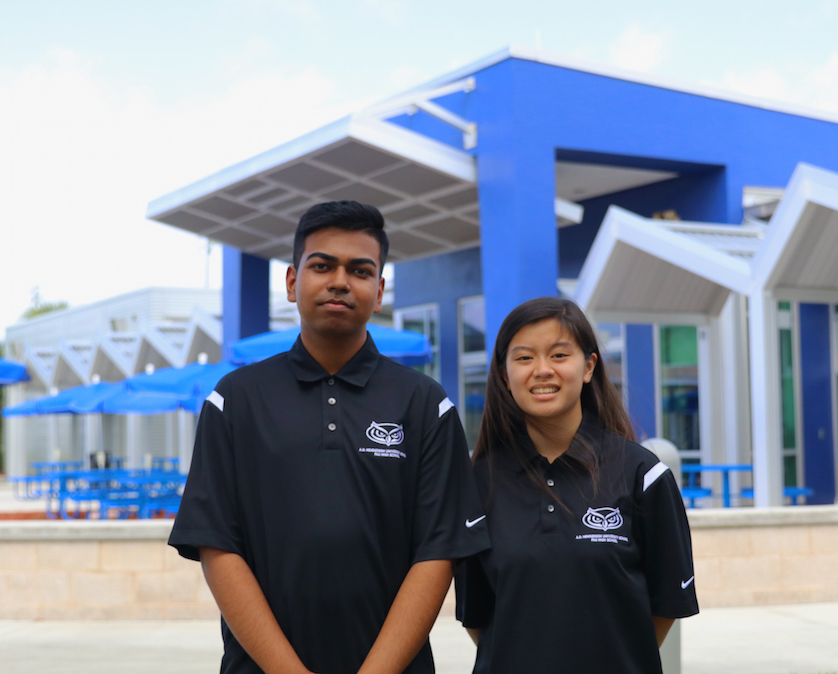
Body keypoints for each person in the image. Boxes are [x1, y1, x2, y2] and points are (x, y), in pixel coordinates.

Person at [169, 201, 490, 674]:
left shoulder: (425, 404)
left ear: (379, 292)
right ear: (293, 282)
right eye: (322, 266)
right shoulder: (235, 400)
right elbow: (218, 546)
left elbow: (438, 553)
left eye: (360, 270)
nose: (340, 281)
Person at [455, 297, 698, 674]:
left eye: (558, 355)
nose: (542, 370)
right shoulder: (477, 483)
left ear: (588, 367)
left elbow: (665, 606)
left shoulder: (643, 475)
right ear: (504, 375)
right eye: (524, 358)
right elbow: (478, 617)